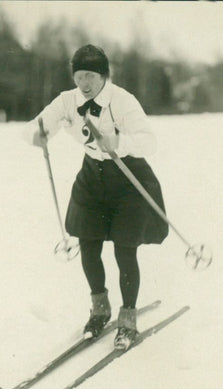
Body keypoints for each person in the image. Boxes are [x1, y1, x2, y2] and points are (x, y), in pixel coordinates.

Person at [23, 44, 169, 350]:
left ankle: (127, 320)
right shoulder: (68, 100)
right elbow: (37, 126)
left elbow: (149, 142)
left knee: (124, 249)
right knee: (88, 244)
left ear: (104, 75)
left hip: (128, 178)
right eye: (79, 76)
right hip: (93, 178)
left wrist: (118, 140)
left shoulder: (123, 101)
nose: (84, 83)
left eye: (90, 75)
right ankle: (100, 310)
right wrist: (39, 135)